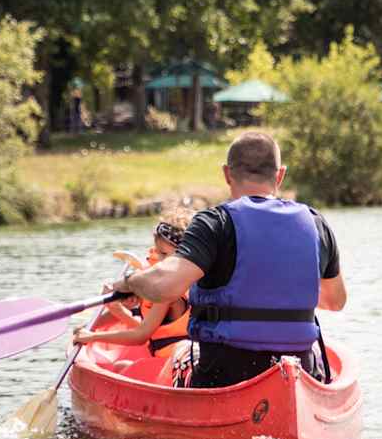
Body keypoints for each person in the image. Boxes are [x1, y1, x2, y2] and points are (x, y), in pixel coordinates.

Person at [109, 131, 346, 388]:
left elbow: (165, 286)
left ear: (227, 174)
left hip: (225, 372)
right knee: (320, 364)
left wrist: (129, 283)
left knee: (180, 351)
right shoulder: (316, 223)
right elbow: (335, 301)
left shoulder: (214, 223)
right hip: (298, 366)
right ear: (280, 175)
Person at [74, 207, 194, 361]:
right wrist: (90, 325)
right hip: (169, 359)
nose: (157, 258)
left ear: (184, 253)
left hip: (172, 365)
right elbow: (140, 317)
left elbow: (140, 335)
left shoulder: (167, 289)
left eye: (163, 254)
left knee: (121, 366)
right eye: (157, 251)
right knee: (125, 364)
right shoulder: (190, 278)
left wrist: (92, 337)